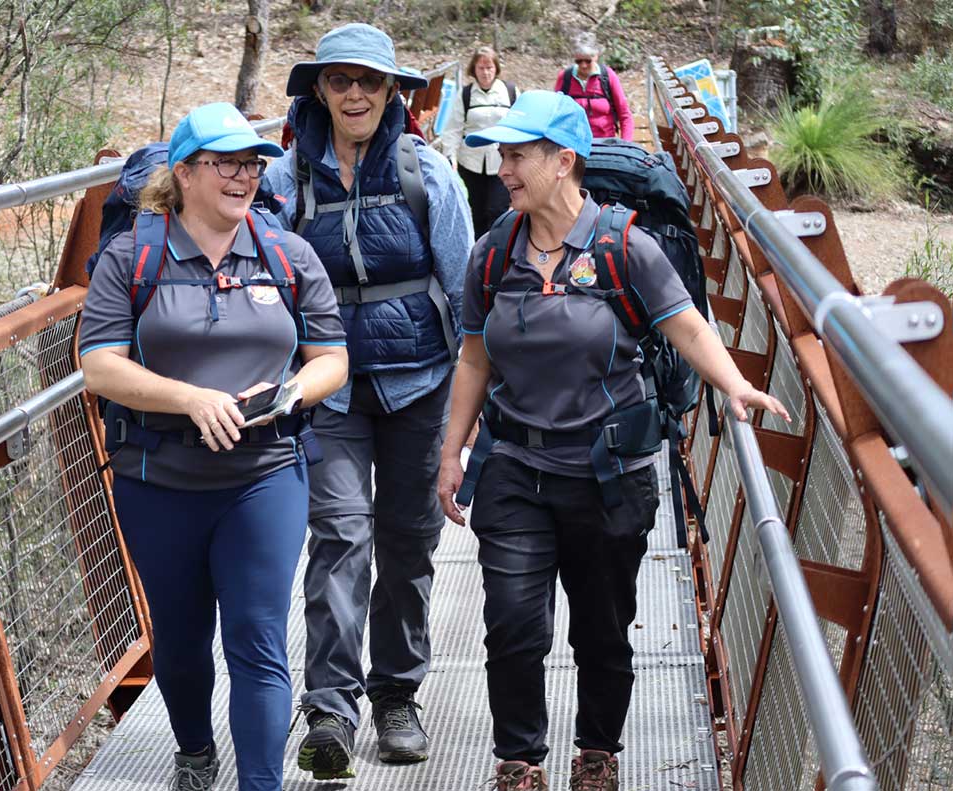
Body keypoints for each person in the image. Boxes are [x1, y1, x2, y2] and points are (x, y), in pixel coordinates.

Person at [435, 91, 788, 791]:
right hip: (514, 464)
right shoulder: (492, 251)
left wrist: (732, 385)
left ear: (563, 161)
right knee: (512, 624)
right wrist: (452, 450)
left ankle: (597, 749)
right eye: (501, 153)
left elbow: (686, 325)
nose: (503, 167)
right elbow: (474, 356)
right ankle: (519, 759)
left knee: (601, 630)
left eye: (517, 154)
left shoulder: (625, 244)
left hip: (607, 471)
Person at [80, 102, 349, 791]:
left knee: (257, 640)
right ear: (185, 173)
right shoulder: (132, 257)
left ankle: (261, 783)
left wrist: (290, 393)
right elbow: (100, 363)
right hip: (158, 475)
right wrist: (189, 398)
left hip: (263, 474)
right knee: (180, 636)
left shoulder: (286, 254)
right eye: (225, 163)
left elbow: (332, 357)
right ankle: (195, 749)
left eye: (252, 164)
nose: (242, 176)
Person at [261, 22, 473, 778]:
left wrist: (470, 416)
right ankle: (330, 706)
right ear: (319, 88)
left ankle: (396, 694)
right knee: (341, 535)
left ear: (393, 93)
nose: (355, 94)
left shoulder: (430, 176)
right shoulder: (285, 183)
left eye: (371, 82)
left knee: (408, 539)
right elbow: (262, 286)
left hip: (421, 383)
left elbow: (464, 292)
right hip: (331, 389)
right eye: (341, 80)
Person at [439, 46, 519, 236]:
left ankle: (497, 249)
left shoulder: (509, 91)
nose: (485, 72)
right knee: (477, 211)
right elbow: (453, 129)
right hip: (471, 163)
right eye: (481, 68)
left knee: (497, 209)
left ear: (496, 68)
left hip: (502, 162)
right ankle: (478, 253)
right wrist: (449, 157)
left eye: (489, 67)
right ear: (473, 70)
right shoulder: (466, 95)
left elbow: (521, 124)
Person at [553, 33, 633, 141]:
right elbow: (556, 113)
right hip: (573, 140)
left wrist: (626, 144)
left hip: (605, 141)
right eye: (579, 61)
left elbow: (624, 114)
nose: (583, 65)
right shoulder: (565, 77)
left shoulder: (608, 76)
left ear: (596, 56)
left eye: (587, 61)